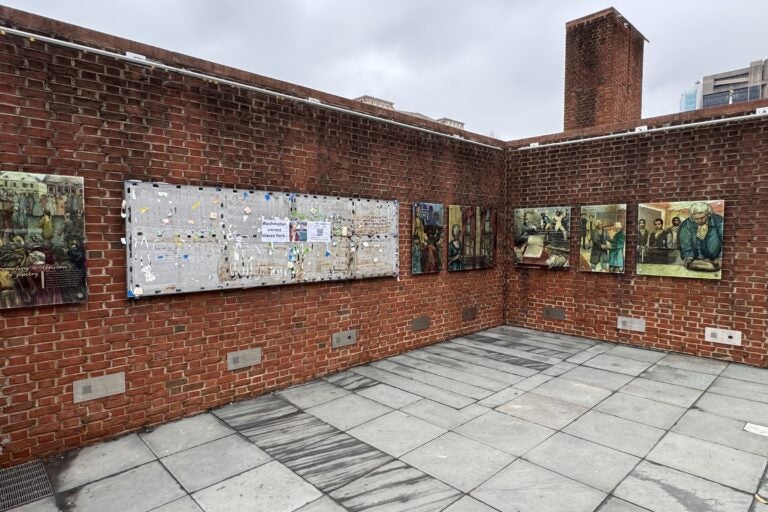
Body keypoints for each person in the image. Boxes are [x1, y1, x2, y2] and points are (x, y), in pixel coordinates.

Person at [679, 202, 724, 272]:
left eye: (702, 218)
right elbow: (685, 243)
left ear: (708, 214)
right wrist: (688, 256)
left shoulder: (719, 221)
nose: (699, 221)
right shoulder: (686, 224)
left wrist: (720, 258)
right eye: (696, 219)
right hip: (695, 260)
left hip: (714, 259)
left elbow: (726, 242)